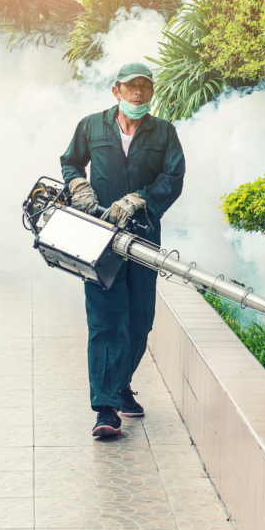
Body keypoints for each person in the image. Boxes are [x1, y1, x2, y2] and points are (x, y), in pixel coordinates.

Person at [61, 63, 185, 436]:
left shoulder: (164, 132)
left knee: (139, 321)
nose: (138, 94)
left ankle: (119, 385)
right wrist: (78, 186)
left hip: (143, 236)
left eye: (145, 88)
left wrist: (139, 199)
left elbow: (173, 177)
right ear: (116, 91)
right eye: (131, 87)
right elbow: (70, 162)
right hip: (98, 238)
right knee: (104, 322)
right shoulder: (91, 126)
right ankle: (105, 409)